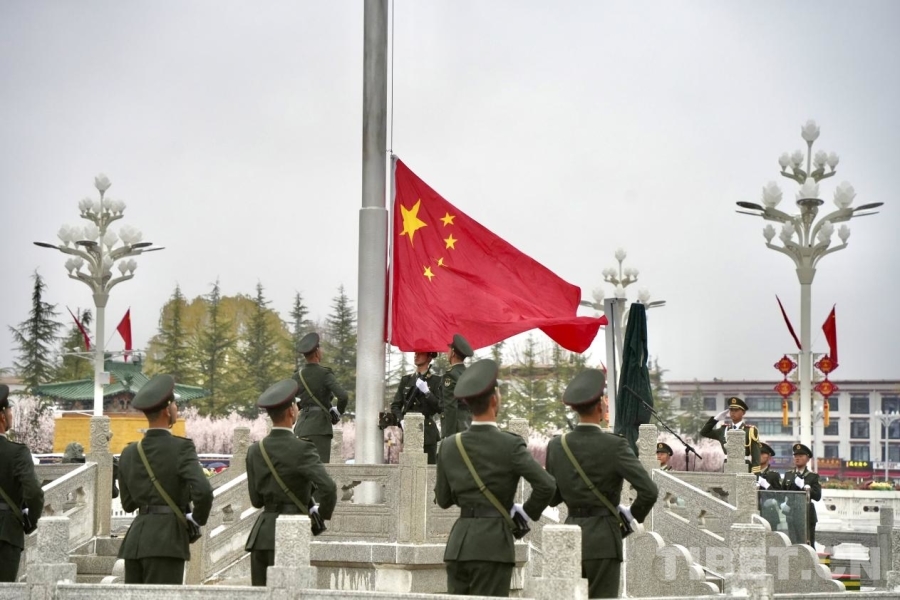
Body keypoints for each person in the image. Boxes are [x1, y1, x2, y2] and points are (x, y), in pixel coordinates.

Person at [435, 359, 556, 597]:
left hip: (458, 546)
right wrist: (524, 513)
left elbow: (443, 499)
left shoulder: (449, 445)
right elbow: (546, 485)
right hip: (494, 546)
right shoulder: (510, 444)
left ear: (468, 404)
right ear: (494, 400)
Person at [546, 369, 658, 599]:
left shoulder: (557, 445)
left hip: (568, 537)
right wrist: (629, 517)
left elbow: (553, 497)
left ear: (575, 409)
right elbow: (649, 490)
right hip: (604, 538)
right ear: (600, 407)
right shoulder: (615, 445)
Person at [117, 374, 214, 584]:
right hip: (168, 542)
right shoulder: (181, 448)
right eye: (175, 405)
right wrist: (196, 519)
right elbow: (204, 491)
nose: (177, 409)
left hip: (135, 542)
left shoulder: (129, 452)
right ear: (167, 410)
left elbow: (128, 504)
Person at [245, 379, 337, 586]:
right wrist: (319, 516)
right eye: (296, 405)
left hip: (262, 536)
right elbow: (328, 487)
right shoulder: (303, 448)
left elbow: (256, 501)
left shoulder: (255, 450)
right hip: (293, 533)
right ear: (291, 412)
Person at [0, 385, 44, 583]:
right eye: (9, 409)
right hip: (6, 532)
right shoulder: (16, 452)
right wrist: (29, 521)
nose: (11, 414)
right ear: (2, 416)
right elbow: (33, 492)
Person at [293, 332, 349, 463]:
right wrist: (338, 411)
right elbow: (343, 396)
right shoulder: (324, 374)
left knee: (302, 468)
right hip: (320, 429)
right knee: (320, 468)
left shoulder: (297, 376)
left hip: (301, 428)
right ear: (317, 352)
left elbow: (294, 402)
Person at [391, 351, 442, 464]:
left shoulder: (436, 381)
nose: (416, 356)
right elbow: (395, 406)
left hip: (427, 432)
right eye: (415, 353)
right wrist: (402, 420)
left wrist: (427, 392)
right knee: (409, 467)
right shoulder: (406, 380)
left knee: (428, 469)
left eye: (420, 353)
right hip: (410, 431)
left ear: (429, 358)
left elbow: (439, 407)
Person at [700, 397, 761, 474]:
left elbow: (756, 456)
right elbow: (704, 432)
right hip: (727, 467)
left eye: (736, 410)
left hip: (744, 466)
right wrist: (715, 419)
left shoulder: (750, 430)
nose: (733, 413)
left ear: (743, 412)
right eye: (731, 410)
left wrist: (755, 476)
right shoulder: (723, 430)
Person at [782, 443, 821, 547]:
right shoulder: (788, 475)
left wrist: (805, 488)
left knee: (807, 544)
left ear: (807, 459)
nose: (797, 458)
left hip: (806, 514)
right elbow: (782, 493)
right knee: (793, 544)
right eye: (795, 456)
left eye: (800, 456)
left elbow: (817, 496)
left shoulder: (813, 476)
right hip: (791, 514)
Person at [441, 333, 474, 439]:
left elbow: (450, 407)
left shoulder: (450, 375)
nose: (447, 352)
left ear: (453, 353)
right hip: (469, 424)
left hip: (456, 428)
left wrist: (449, 436)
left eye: (449, 349)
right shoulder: (469, 373)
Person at [756, 442, 783, 532]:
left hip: (769, 512)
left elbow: (780, 496)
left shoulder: (773, 475)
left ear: (769, 456)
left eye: (763, 453)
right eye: (758, 453)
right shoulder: (750, 473)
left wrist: (767, 486)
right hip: (753, 511)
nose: (759, 455)